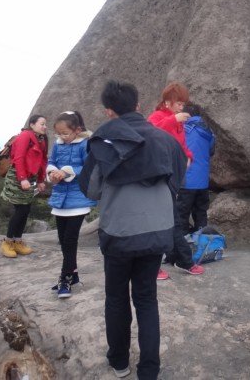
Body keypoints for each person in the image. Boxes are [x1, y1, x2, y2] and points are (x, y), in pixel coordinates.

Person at [79, 80, 186, 380]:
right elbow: (178, 180)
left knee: (116, 298)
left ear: (108, 111)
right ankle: (149, 370)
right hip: (158, 230)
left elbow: (91, 190)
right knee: (147, 298)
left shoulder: (103, 140)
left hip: (119, 232)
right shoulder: (166, 140)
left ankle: (119, 361)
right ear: (138, 105)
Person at [147, 82, 203, 279]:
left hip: (173, 176)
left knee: (169, 219)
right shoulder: (158, 117)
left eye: (183, 104)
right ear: (167, 102)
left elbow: (182, 144)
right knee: (166, 219)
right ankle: (179, 261)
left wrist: (188, 156)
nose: (181, 107)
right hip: (157, 177)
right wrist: (173, 120)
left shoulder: (178, 121)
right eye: (178, 103)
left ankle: (174, 258)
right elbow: (150, 134)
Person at [46, 111, 96, 298]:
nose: (62, 137)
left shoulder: (85, 143)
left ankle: (64, 278)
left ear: (77, 130)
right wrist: (52, 173)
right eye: (59, 133)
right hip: (60, 199)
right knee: (63, 240)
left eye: (65, 133)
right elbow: (51, 162)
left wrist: (67, 171)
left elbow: (89, 167)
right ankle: (73, 275)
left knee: (70, 240)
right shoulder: (58, 145)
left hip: (78, 199)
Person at [0, 114, 48, 258]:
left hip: (30, 178)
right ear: (32, 125)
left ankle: (17, 241)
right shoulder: (25, 136)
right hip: (18, 177)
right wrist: (22, 178)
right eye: (42, 124)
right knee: (21, 210)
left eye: (45, 124)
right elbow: (19, 158)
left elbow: (43, 160)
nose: (45, 127)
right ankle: (8, 242)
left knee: (25, 210)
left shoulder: (42, 139)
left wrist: (41, 180)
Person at [177, 103, 215, 233]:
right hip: (203, 182)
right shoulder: (208, 131)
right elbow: (211, 151)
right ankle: (202, 240)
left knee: (181, 215)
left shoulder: (181, 129)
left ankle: (183, 242)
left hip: (186, 181)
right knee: (201, 214)